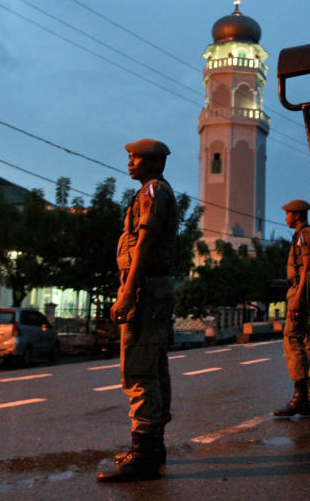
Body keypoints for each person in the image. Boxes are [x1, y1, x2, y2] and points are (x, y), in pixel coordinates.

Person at [97, 138, 178, 483]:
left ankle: (143, 456)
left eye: (136, 157)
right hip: (149, 286)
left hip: (144, 287)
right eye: (129, 156)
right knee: (153, 367)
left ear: (155, 163)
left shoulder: (153, 191)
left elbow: (144, 241)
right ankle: (152, 447)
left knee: (139, 370)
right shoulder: (151, 190)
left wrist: (128, 292)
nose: (129, 162)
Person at [273, 199, 310, 417]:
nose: (286, 218)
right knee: (308, 342)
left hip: (301, 291)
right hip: (309, 292)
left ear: (296, 215)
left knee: (291, 337)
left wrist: (297, 298)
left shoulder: (305, 235)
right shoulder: (307, 234)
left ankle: (300, 396)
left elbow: (306, 268)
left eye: (288, 214)